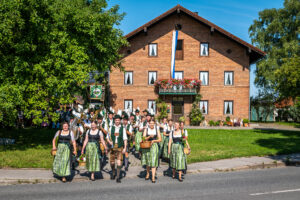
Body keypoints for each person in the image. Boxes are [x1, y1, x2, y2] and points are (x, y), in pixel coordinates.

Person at [108, 114, 128, 183]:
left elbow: (125, 139)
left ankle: (118, 177)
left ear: (120, 121)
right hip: (112, 147)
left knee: (119, 163)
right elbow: (107, 137)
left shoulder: (122, 128)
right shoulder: (111, 128)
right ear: (114, 120)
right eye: (116, 120)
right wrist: (109, 141)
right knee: (112, 162)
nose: (117, 121)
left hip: (120, 147)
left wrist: (125, 148)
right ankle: (113, 172)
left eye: (118, 120)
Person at [141, 119, 162, 183]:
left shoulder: (156, 129)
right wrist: (149, 136)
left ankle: (153, 177)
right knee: (148, 161)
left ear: (154, 123)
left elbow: (160, 139)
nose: (151, 124)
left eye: (153, 123)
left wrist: (154, 141)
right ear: (148, 123)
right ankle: (147, 173)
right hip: (147, 146)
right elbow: (143, 139)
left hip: (154, 146)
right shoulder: (146, 129)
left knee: (153, 161)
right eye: (150, 123)